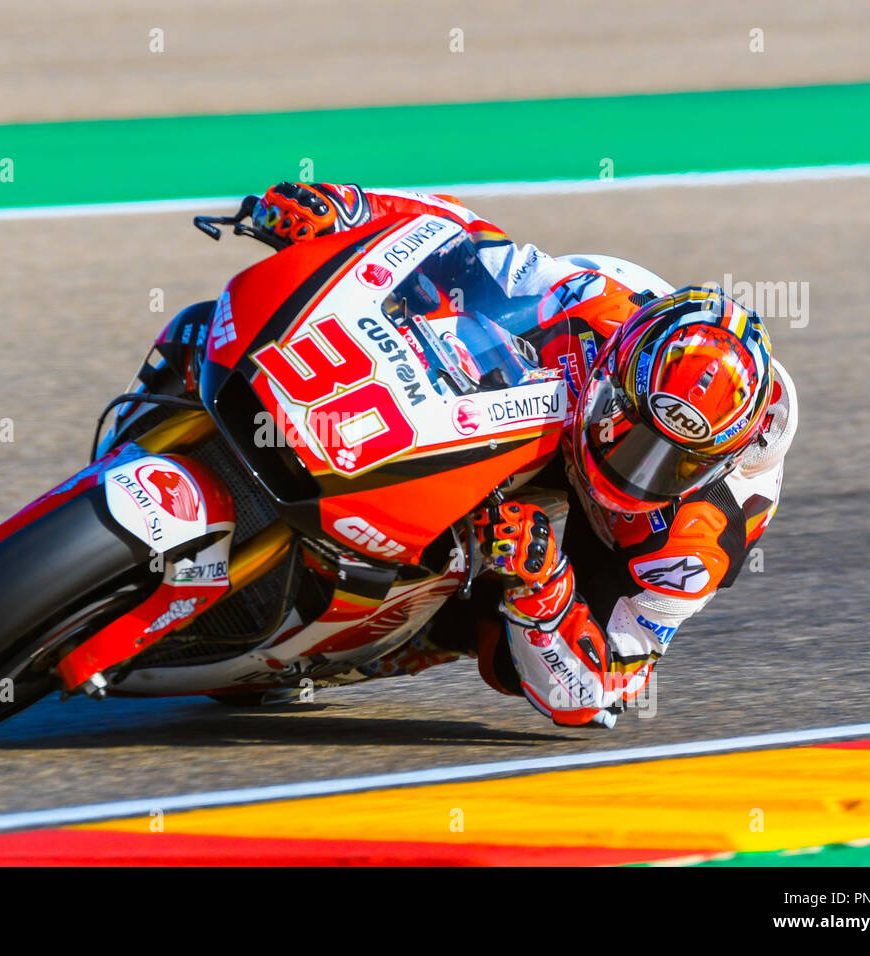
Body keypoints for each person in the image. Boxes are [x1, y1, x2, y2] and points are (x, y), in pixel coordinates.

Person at [251, 181, 798, 728]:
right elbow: (462, 240)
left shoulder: (695, 543)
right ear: (613, 373)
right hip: (563, 395)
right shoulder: (591, 305)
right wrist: (349, 207)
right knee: (428, 309)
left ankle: (367, 643)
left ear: (717, 463)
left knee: (496, 639)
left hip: (620, 537)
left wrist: (544, 585)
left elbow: (605, 690)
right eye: (629, 432)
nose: (634, 468)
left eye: (670, 461)